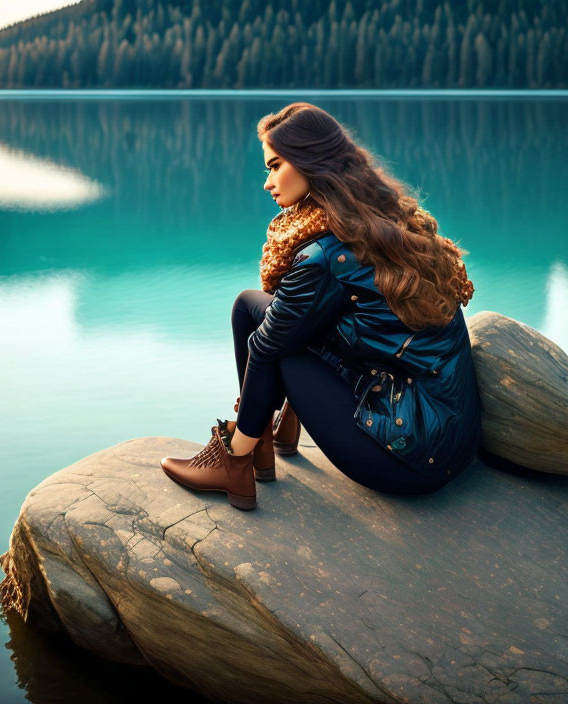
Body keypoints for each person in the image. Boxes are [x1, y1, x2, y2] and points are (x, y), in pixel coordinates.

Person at [160, 102, 481, 510]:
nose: (267, 182)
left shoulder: (324, 257)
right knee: (251, 306)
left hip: (408, 455)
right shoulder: (384, 218)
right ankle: (271, 435)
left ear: (309, 162)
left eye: (275, 166)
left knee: (274, 341)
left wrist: (245, 427)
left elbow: (267, 346)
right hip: (450, 434)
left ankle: (237, 457)